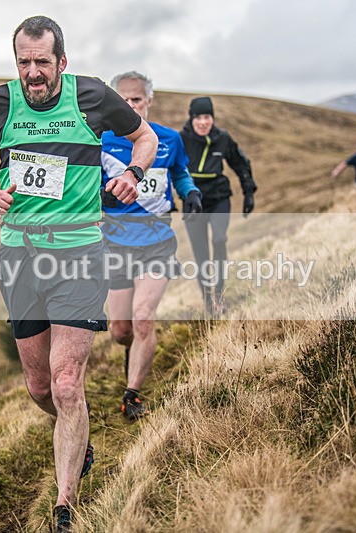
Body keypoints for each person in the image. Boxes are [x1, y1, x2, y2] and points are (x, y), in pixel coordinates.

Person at [0, 16, 158, 531]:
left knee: (68, 384)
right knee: (40, 388)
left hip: (79, 256)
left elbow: (145, 138)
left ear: (61, 62)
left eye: (42, 62)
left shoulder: (91, 96)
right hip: (20, 259)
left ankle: (64, 506)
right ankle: (80, 432)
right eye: (24, 62)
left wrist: (134, 176)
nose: (33, 73)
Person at [100, 71, 201, 420]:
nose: (129, 106)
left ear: (149, 101)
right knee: (120, 330)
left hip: (157, 242)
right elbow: (87, 186)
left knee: (143, 318)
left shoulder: (169, 139)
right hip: (115, 244)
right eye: (123, 100)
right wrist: (103, 196)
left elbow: (181, 173)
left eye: (136, 100)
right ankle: (133, 354)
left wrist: (190, 193)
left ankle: (133, 395)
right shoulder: (102, 142)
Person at [180, 96, 257, 315]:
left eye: (207, 117)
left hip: (219, 196)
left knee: (220, 238)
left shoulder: (222, 138)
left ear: (212, 118)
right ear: (191, 118)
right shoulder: (181, 139)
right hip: (193, 198)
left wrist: (248, 192)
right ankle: (208, 301)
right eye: (198, 118)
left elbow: (241, 164)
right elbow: (171, 168)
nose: (203, 122)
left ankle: (220, 295)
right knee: (201, 253)